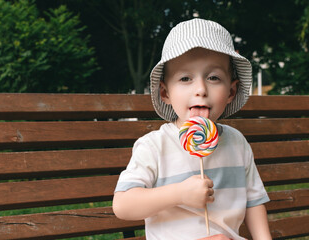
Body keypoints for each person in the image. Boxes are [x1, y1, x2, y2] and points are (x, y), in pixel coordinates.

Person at [112, 19, 272, 240]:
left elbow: (254, 202)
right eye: (185, 78)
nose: (200, 89)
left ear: (231, 91)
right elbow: (123, 205)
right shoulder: (154, 146)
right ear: (165, 93)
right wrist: (179, 194)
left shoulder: (237, 143)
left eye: (213, 77)